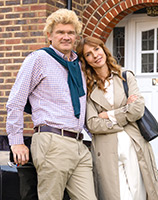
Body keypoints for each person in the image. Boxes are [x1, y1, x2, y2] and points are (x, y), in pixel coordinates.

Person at [6, 9, 97, 200]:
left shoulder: (78, 66)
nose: (66, 37)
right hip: (52, 141)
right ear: (49, 35)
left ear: (76, 37)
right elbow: (16, 101)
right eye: (60, 32)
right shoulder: (38, 59)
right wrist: (16, 142)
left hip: (80, 144)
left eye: (70, 33)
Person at [76, 36, 158, 200]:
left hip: (133, 144)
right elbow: (93, 123)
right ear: (84, 60)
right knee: (118, 196)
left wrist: (108, 115)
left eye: (96, 49)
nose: (95, 55)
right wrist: (124, 114)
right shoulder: (87, 87)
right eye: (88, 54)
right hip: (106, 149)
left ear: (103, 49)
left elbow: (137, 109)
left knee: (139, 195)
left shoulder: (125, 76)